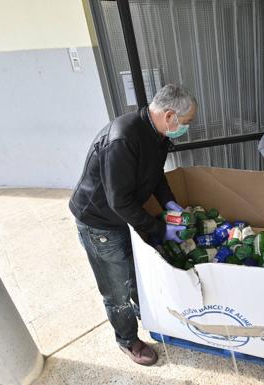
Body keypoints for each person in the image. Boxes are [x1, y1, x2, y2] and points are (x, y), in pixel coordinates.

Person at [69, 84, 197, 366]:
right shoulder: (123, 139)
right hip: (99, 221)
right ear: (169, 115)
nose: (186, 128)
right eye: (185, 123)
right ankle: (128, 340)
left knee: (137, 271)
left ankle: (148, 314)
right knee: (116, 286)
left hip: (122, 215)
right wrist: (160, 229)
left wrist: (170, 204)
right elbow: (119, 202)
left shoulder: (158, 135)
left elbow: (156, 176)